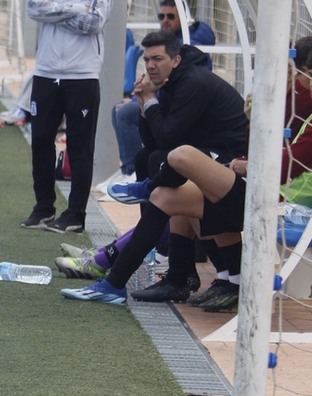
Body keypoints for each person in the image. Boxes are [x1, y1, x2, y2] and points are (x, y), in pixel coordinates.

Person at [61, 29, 247, 305]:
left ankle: (148, 192)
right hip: (220, 171)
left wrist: (150, 103)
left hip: (237, 174)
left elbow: (171, 140)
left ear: (176, 59)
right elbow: (154, 141)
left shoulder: (193, 82)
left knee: (179, 157)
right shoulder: (174, 83)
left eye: (157, 58)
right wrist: (144, 103)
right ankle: (123, 284)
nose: (150, 65)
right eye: (146, 59)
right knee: (160, 184)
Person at [20, 0, 115, 234]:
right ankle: (43, 207)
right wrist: (76, 8)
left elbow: (96, 23)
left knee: (79, 146)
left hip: (82, 75)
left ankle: (75, 215)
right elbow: (33, 9)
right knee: (41, 140)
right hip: (46, 72)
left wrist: (56, 10)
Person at [108, 0, 216, 182]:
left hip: (189, 115)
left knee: (125, 113)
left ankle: (131, 172)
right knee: (120, 110)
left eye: (171, 16)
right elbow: (160, 86)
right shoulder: (164, 43)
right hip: (167, 103)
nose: (165, 20)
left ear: (175, 60)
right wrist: (141, 101)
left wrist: (147, 100)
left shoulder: (188, 51)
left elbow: (172, 89)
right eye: (161, 16)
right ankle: (130, 170)